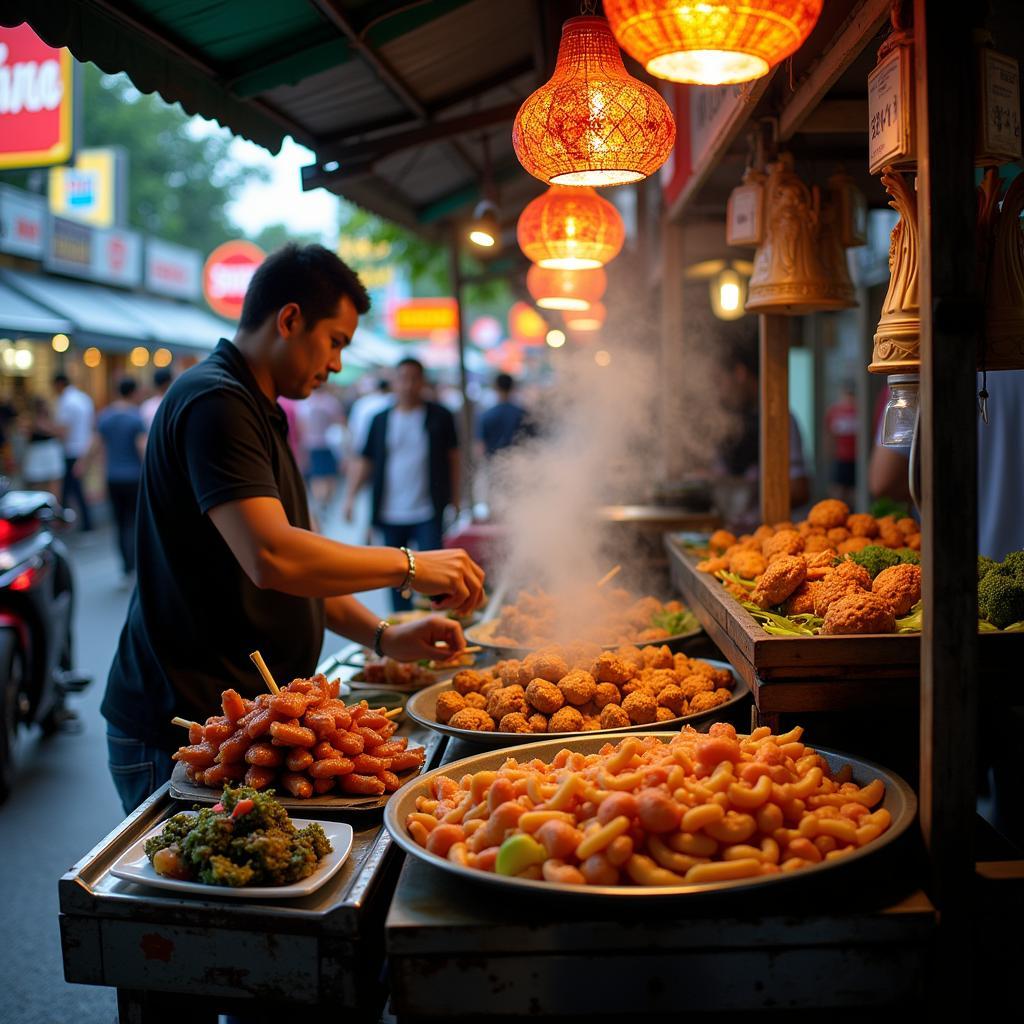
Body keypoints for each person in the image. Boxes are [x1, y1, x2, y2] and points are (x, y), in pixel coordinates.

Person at [101, 244, 484, 815]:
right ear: (290, 319)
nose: (335, 363)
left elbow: (299, 569)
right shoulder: (215, 400)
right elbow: (272, 556)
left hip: (259, 727)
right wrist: (410, 565)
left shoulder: (259, 407)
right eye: (335, 341)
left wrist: (383, 635)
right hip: (188, 730)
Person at [343, 358, 460, 611]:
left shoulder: (440, 416)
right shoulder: (380, 419)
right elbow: (366, 460)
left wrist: (457, 499)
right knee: (396, 576)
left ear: (423, 382)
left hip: (428, 508)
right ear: (395, 382)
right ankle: (402, 628)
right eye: (403, 378)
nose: (408, 385)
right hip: (389, 510)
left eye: (414, 378)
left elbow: (454, 459)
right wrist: (350, 498)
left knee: (433, 573)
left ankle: (439, 620)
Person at [712, 342, 810, 528]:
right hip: (731, 534)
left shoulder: (779, 420)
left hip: (768, 535)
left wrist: (751, 492)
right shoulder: (730, 422)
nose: (720, 392)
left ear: (740, 374)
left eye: (720, 381)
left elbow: (799, 489)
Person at [96, 377, 146, 583]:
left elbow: (97, 445)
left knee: (118, 522)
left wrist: (83, 466)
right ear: (133, 392)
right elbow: (142, 447)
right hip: (134, 478)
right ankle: (135, 564)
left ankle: (125, 567)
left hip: (112, 477)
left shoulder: (105, 416)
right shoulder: (135, 418)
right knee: (134, 522)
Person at [53, 372, 95, 531]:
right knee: (73, 488)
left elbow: (64, 430)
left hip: (71, 450)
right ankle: (75, 522)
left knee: (73, 489)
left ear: (59, 384)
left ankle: (73, 522)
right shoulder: (84, 398)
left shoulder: (66, 401)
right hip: (83, 448)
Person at [297, 383, 345, 519]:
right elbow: (340, 423)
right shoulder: (331, 402)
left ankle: (320, 501)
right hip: (329, 445)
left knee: (316, 476)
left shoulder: (305, 402)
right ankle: (325, 501)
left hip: (311, 445)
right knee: (329, 475)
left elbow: (301, 427)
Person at [476, 373, 533, 459]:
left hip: (493, 465)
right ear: (512, 387)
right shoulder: (523, 414)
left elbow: (481, 447)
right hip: (518, 464)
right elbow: (531, 442)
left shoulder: (486, 415)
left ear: (495, 387)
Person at [20, 396, 64, 495]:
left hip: (51, 452)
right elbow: (26, 436)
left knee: (54, 482)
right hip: (36, 453)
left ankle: (54, 507)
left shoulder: (52, 418)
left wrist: (45, 428)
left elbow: (60, 432)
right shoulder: (29, 419)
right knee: (38, 482)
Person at [824, 382, 858, 504]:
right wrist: (829, 453)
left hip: (855, 457)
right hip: (840, 457)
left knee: (854, 489)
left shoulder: (859, 411)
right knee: (838, 488)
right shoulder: (834, 411)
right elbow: (828, 434)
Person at [347, 376, 392, 459]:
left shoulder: (361, 403)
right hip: (382, 449)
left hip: (361, 446)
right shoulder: (391, 401)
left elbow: (352, 428)